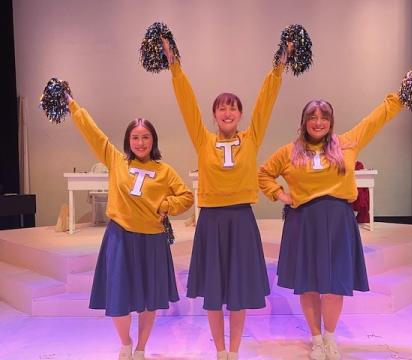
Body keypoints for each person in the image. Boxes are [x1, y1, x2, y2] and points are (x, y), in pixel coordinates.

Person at [161, 39, 292, 360]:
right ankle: (220, 350)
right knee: (214, 291)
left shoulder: (252, 138)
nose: (227, 111)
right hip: (211, 222)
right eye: (222, 107)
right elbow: (186, 103)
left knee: (238, 291)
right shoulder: (202, 139)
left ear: (240, 114)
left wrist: (280, 65)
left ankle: (234, 351)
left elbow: (266, 102)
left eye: (233, 107)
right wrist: (174, 66)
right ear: (214, 115)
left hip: (242, 221)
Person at [258, 91, 407, 360]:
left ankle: (330, 336)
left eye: (324, 117)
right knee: (309, 284)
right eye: (312, 117)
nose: (318, 122)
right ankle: (315, 338)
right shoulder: (289, 152)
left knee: (334, 285)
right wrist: (281, 195)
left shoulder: (346, 143)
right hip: (304, 223)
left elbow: (376, 119)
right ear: (303, 122)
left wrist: (400, 96)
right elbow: (263, 174)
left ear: (331, 121)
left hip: (338, 222)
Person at [65, 94, 194, 360]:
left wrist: (166, 206)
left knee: (149, 299)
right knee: (118, 296)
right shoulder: (116, 160)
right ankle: (125, 342)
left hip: (153, 241)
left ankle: (141, 348)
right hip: (120, 238)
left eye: (145, 137)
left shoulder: (165, 170)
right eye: (135, 137)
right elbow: (94, 134)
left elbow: (187, 198)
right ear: (128, 141)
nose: (140, 142)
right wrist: (73, 106)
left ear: (153, 141)